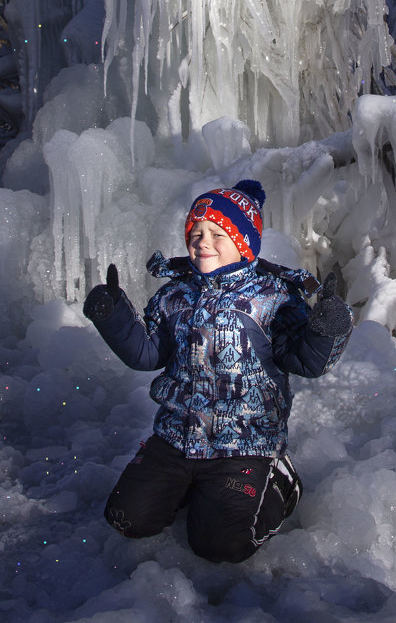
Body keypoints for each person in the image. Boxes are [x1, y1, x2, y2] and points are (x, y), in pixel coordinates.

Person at [83, 179, 353, 563]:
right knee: (127, 519)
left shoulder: (272, 298)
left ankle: (279, 481)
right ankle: (191, 486)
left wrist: (327, 327)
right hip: (176, 438)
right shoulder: (173, 294)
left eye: (216, 233)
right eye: (195, 232)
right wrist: (113, 318)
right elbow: (147, 354)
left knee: (220, 544)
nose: (201, 241)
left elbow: (304, 360)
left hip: (244, 444)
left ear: (244, 242)